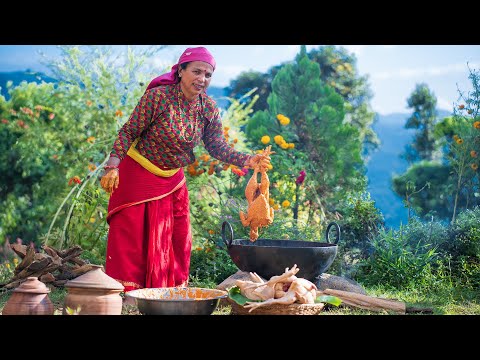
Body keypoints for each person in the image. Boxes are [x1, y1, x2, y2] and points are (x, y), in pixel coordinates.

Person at [99, 46, 270, 295]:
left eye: (208, 75)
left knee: (179, 239)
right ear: (180, 71)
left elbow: (217, 147)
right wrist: (112, 166)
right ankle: (126, 295)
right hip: (138, 174)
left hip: (172, 179)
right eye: (196, 71)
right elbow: (129, 131)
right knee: (132, 239)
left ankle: (169, 293)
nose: (202, 79)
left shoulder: (208, 108)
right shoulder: (158, 98)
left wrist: (248, 159)